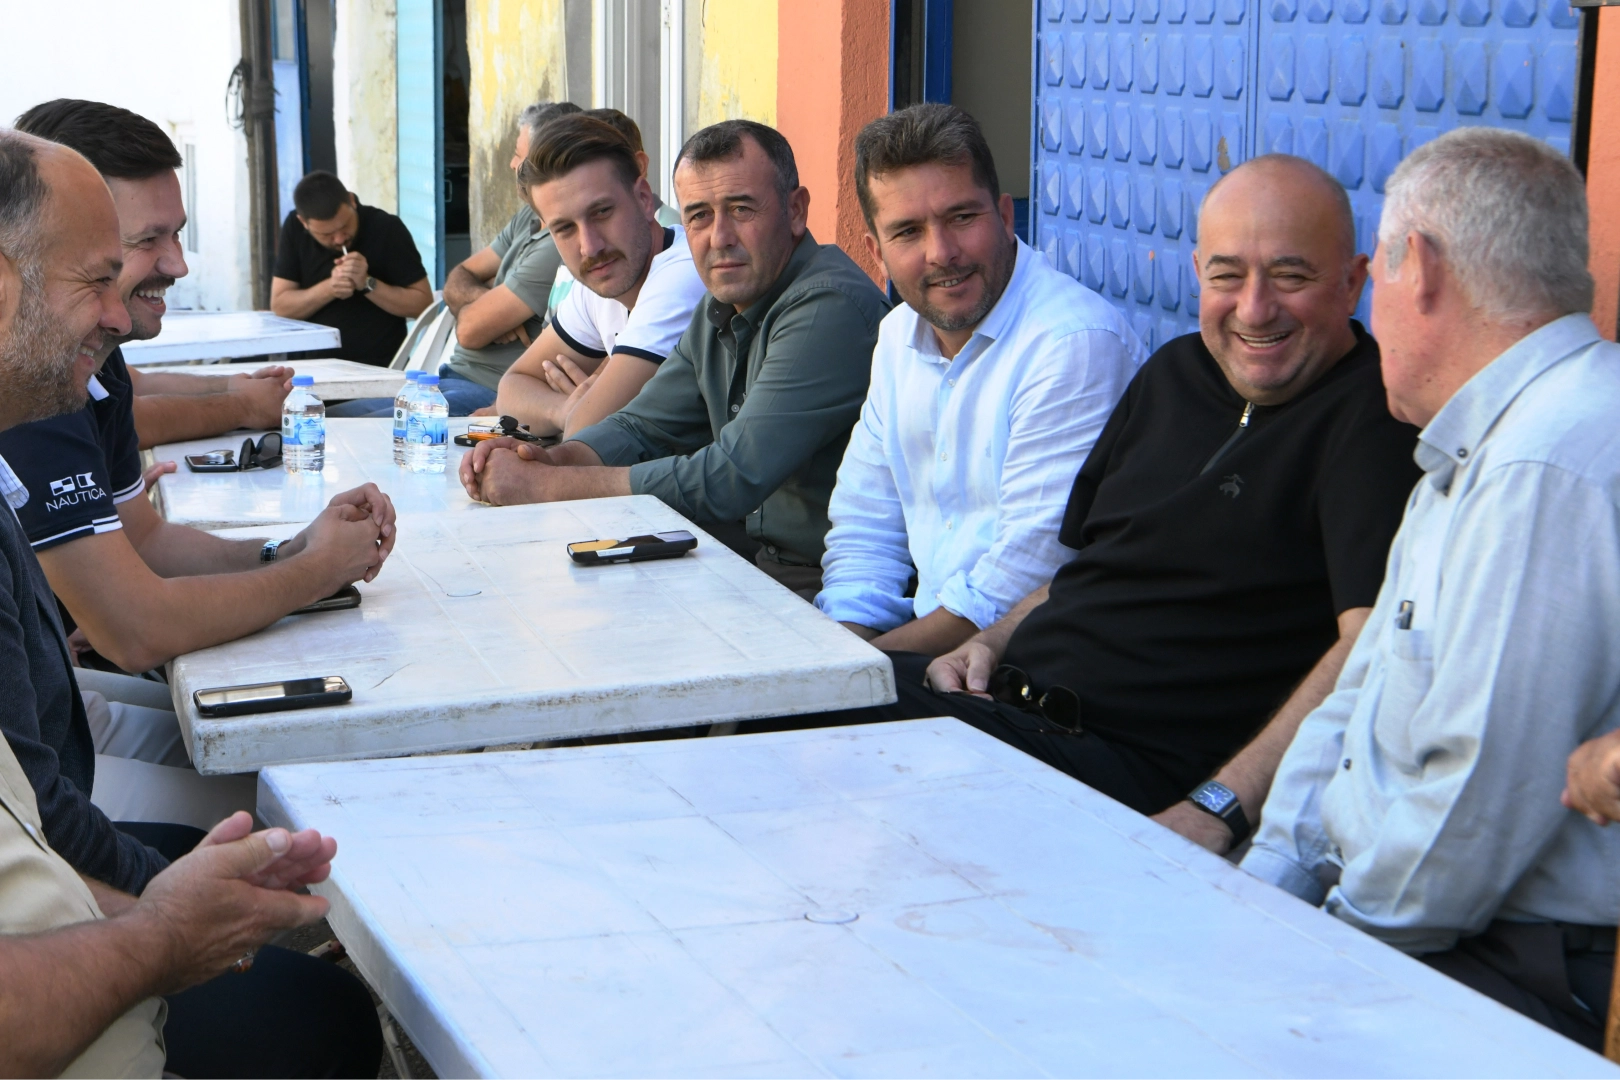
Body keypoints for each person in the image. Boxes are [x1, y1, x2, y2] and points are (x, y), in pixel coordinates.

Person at [767, 154, 1421, 846]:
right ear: (1198, 273)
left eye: (1290, 276)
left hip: (1119, 761)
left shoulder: (1372, 420)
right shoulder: (1176, 374)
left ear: (1354, 281)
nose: (1255, 309)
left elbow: (1367, 646)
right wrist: (985, 644)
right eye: (1228, 276)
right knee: (801, 696)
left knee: (798, 734)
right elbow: (1080, 568)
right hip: (1008, 701)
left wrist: (1219, 807)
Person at [0, 128, 381, 1080]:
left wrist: (295, 554)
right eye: (109, 269)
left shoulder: (51, 390)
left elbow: (147, 547)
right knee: (324, 989)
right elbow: (132, 632)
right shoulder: (37, 405)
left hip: (70, 798)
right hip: (75, 847)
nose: (167, 271)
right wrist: (171, 924)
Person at [1242, 128, 1620, 1050]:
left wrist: (1322, 953)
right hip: (1406, 925)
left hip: (1499, 960)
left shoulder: (1546, 460)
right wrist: (1257, 899)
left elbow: (1476, 803)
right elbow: (1351, 707)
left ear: (1422, 268)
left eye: (1375, 276)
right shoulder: (1477, 446)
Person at [463, 120, 889, 595]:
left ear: (795, 210)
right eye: (699, 216)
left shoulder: (827, 304)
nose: (719, 237)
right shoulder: (722, 301)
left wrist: (544, 486)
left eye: (741, 209)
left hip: (829, 588)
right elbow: (640, 426)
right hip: (748, 563)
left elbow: (731, 477)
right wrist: (545, 459)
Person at [816, 103, 1145, 658]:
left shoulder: (1072, 343)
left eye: (962, 217)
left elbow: (1022, 577)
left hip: (1035, 662)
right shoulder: (897, 337)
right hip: (933, 653)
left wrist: (860, 674)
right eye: (907, 231)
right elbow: (865, 527)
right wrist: (843, 653)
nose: (941, 253)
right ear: (876, 252)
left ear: (1006, 216)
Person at [15, 99, 292, 448]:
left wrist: (233, 386)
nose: (180, 266)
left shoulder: (89, 340)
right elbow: (133, 420)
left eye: (176, 234)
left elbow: (131, 386)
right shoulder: (30, 382)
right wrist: (243, 405)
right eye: (147, 239)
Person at [331, 99, 584, 418]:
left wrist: (478, 311)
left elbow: (468, 330)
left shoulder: (555, 244)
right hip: (450, 379)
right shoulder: (529, 218)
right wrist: (484, 300)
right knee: (333, 418)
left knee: (346, 431)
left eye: (519, 156)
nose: (511, 164)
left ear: (546, 162)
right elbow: (459, 276)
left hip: (491, 392)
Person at [493, 112, 708, 439]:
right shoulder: (601, 281)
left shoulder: (683, 272)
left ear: (644, 199)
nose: (590, 247)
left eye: (602, 212)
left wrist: (578, 414)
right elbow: (511, 389)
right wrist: (563, 410)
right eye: (565, 228)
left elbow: (585, 433)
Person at [269, 170, 432, 366]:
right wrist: (331, 288)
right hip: (310, 367)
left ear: (352, 201)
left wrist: (367, 283)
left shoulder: (386, 228)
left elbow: (423, 305)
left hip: (379, 365)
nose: (339, 239)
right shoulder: (294, 229)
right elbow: (281, 306)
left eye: (345, 226)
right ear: (304, 223)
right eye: (327, 235)